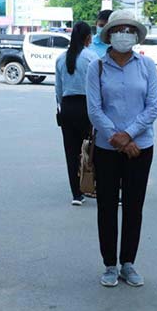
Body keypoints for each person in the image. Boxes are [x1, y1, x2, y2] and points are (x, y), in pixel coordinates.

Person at [86, 9, 157, 288]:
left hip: (140, 147)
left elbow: (152, 107)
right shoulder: (97, 67)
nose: (124, 35)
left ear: (136, 36)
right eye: (119, 29)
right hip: (107, 148)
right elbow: (94, 109)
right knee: (106, 206)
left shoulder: (147, 66)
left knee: (133, 206)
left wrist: (128, 136)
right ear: (109, 34)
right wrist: (117, 138)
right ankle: (109, 264)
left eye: (130, 30)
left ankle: (128, 262)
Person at [55, 22, 99, 205]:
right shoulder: (92, 57)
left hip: (67, 107)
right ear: (88, 38)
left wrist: (61, 107)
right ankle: (94, 187)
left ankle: (76, 194)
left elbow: (58, 89)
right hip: (87, 107)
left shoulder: (61, 58)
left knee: (71, 151)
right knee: (93, 149)